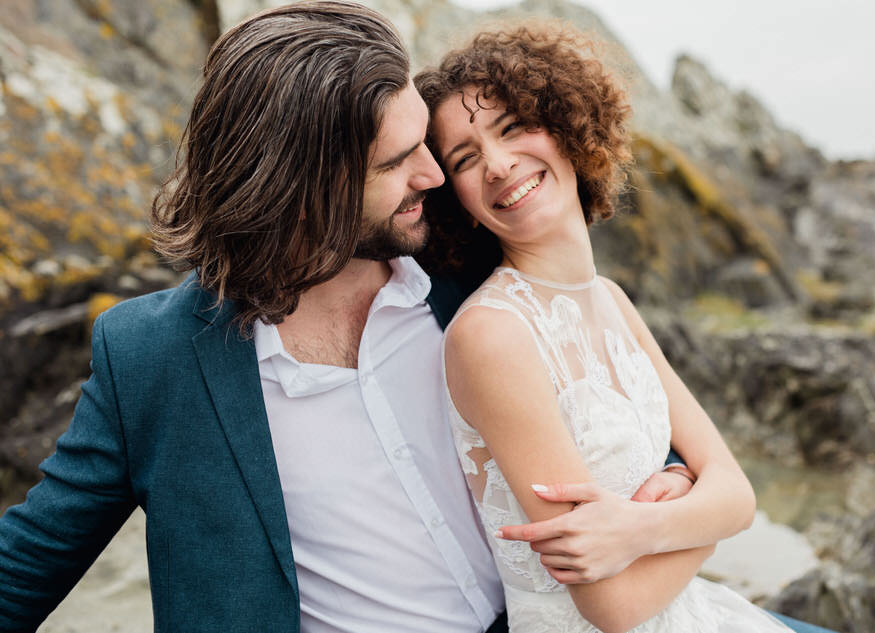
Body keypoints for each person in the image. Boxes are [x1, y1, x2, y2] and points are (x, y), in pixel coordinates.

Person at [0, 3, 702, 632]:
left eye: (425, 143)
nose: (433, 174)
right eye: (398, 162)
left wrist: (667, 480)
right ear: (301, 192)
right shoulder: (152, 356)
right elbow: (26, 567)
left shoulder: (467, 259)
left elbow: (593, 374)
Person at [415, 25, 835, 633]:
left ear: (568, 128)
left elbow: (740, 495)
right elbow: (612, 606)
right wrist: (700, 513)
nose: (499, 165)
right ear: (457, 199)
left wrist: (647, 525)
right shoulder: (492, 336)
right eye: (465, 158)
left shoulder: (611, 300)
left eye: (511, 128)